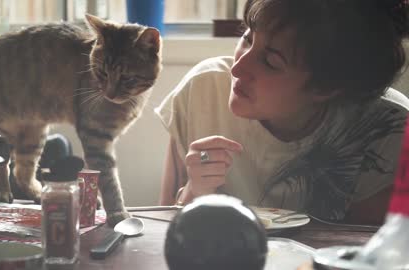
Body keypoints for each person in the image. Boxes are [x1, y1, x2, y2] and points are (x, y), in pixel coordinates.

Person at [155, 0, 409, 225]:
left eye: (271, 61)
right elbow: (163, 226)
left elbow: (364, 250)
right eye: (247, 38)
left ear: (325, 87)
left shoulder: (386, 127)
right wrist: (195, 189)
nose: (238, 68)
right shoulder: (203, 90)